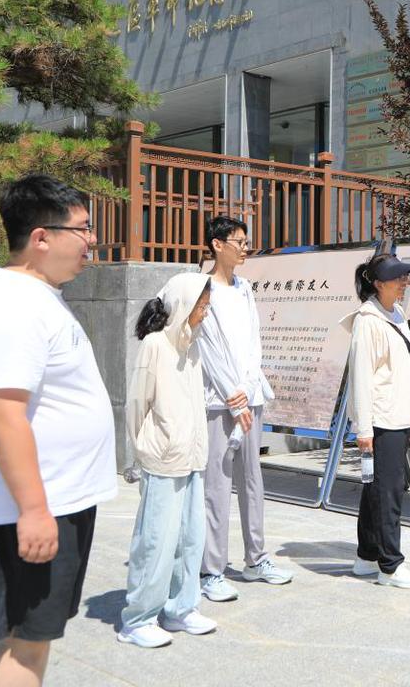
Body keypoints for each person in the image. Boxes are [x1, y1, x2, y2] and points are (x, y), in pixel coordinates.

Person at [0, 175, 116, 686]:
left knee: (23, 638)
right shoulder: (12, 304)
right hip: (39, 505)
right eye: (83, 228)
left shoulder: (37, 296)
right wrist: (34, 511)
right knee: (26, 648)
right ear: (41, 237)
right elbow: (3, 412)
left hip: (57, 499)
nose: (92, 240)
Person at [117, 274, 217, 648]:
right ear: (183, 305)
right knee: (156, 541)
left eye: (207, 306)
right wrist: (146, 447)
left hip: (191, 457)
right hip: (163, 458)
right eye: (201, 306)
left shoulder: (193, 346)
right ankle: (137, 619)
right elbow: (136, 405)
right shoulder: (155, 345)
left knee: (190, 539)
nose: (205, 312)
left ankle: (180, 608)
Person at [196, 216, 292, 603]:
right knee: (216, 486)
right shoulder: (201, 288)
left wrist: (248, 389)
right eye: (238, 241)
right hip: (218, 402)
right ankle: (211, 569)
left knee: (253, 480)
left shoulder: (245, 288)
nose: (245, 247)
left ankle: (256, 558)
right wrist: (232, 395)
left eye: (246, 241)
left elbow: (254, 343)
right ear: (217, 244)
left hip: (250, 398)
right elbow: (206, 346)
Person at [343, 252, 410, 589]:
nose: (405, 282)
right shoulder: (368, 321)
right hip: (381, 420)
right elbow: (361, 377)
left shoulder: (396, 313)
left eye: (406, 276)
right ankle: (390, 567)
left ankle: (367, 556)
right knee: (389, 493)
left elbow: (403, 366)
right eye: (398, 277)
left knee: (376, 490)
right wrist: (364, 429)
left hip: (397, 413)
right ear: (378, 284)